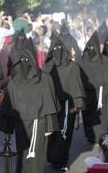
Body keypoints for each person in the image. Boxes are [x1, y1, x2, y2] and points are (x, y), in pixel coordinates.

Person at [0, 36, 59, 173]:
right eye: (22, 60)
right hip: (21, 124)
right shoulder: (14, 81)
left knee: (36, 157)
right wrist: (7, 127)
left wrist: (50, 126)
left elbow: (49, 103)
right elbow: (9, 104)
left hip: (39, 122)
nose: (25, 63)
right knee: (23, 154)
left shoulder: (44, 79)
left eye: (27, 60)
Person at [45, 34, 86, 171]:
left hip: (68, 106)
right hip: (51, 105)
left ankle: (60, 160)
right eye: (55, 48)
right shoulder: (48, 66)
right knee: (51, 132)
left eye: (60, 48)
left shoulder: (72, 66)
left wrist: (77, 104)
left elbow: (76, 85)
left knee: (64, 133)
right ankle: (51, 156)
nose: (58, 51)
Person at [79, 32, 108, 144]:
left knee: (102, 116)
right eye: (88, 47)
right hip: (87, 93)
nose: (91, 49)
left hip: (101, 93)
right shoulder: (82, 61)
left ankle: (100, 135)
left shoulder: (104, 60)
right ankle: (90, 135)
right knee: (88, 116)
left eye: (93, 47)